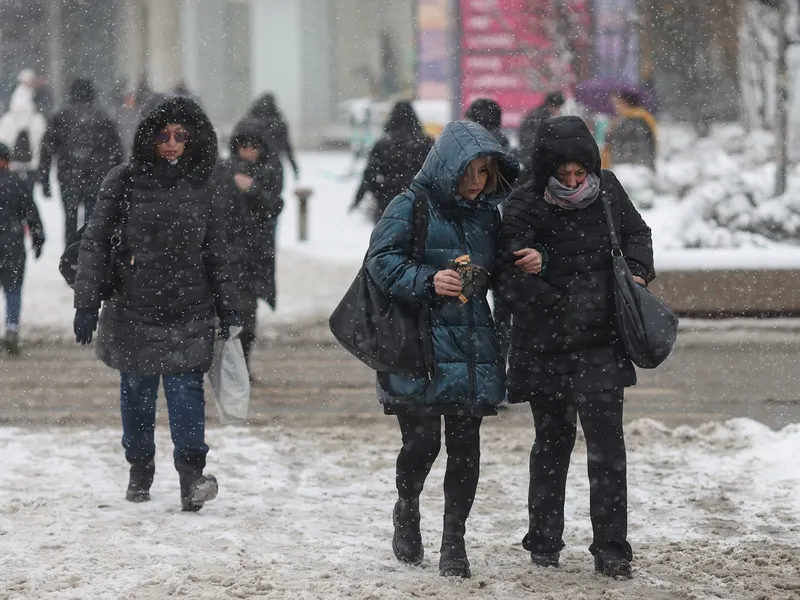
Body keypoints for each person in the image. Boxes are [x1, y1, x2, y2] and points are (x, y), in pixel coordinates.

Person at [495, 116, 654, 578]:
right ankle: (544, 540)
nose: (572, 182)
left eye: (578, 173)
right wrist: (560, 299)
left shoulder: (608, 191)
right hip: (547, 345)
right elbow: (509, 280)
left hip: (603, 341)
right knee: (552, 442)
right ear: (545, 168)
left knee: (608, 449)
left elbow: (637, 236)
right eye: (562, 174)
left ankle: (612, 548)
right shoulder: (523, 203)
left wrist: (638, 274)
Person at [365, 120, 518, 578]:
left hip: (471, 343)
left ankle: (455, 541)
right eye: (470, 171)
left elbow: (500, 274)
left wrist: (525, 265)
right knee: (423, 444)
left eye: (486, 172)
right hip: (420, 347)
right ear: (448, 167)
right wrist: (428, 280)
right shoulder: (409, 205)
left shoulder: (488, 215)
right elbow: (380, 261)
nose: (477, 182)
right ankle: (407, 506)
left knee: (466, 447)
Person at [72, 96, 239, 512]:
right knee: (137, 394)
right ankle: (139, 470)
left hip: (190, 306)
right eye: (163, 135)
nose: (171, 143)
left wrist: (233, 309)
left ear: (195, 139)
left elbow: (219, 250)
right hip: (134, 306)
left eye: (181, 135)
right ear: (149, 137)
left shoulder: (209, 183)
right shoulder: (123, 180)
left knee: (186, 395)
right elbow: (93, 242)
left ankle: (190, 477)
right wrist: (86, 303)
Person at [217, 117, 284, 380]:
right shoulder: (223, 172)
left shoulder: (268, 172)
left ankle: (241, 364)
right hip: (229, 255)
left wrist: (253, 189)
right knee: (229, 314)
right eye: (243, 145)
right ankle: (228, 365)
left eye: (254, 145)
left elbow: (275, 206)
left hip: (256, 256)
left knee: (247, 316)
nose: (249, 151)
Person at [38, 78, 123, 246]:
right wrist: (118, 180)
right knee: (93, 220)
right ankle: (90, 254)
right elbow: (116, 151)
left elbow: (47, 150)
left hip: (69, 176)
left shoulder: (60, 117)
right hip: (97, 177)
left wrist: (44, 179)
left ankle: (70, 254)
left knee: (70, 219)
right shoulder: (102, 117)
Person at [350, 101, 433, 223]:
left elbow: (369, 174)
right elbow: (436, 174)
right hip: (420, 205)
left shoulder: (383, 144)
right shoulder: (426, 143)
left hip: (388, 205)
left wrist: (375, 194)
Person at [0, 142, 45, 356]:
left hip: (10, 241)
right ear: (7, 161)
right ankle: (11, 328)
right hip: (12, 244)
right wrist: (38, 239)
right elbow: (31, 213)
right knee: (13, 288)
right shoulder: (17, 183)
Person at [0, 69, 48, 187]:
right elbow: (41, 145)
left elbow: (3, 143)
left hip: (11, 167)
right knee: (27, 198)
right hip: (31, 167)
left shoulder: (7, 119)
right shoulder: (37, 119)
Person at [247, 93, 299, 184]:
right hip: (274, 165)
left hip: (252, 164)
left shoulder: (251, 120)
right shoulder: (277, 120)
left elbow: (238, 143)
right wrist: (293, 165)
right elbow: (286, 145)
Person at [602, 91, 657, 170]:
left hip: (631, 171)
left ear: (625, 103)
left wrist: (612, 134)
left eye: (618, 103)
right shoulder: (637, 118)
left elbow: (628, 148)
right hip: (637, 169)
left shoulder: (635, 120)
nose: (615, 106)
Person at [517, 91, 566, 174]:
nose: (558, 110)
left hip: (531, 153)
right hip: (532, 155)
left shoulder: (540, 114)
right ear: (550, 105)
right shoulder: (541, 117)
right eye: (557, 107)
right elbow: (532, 138)